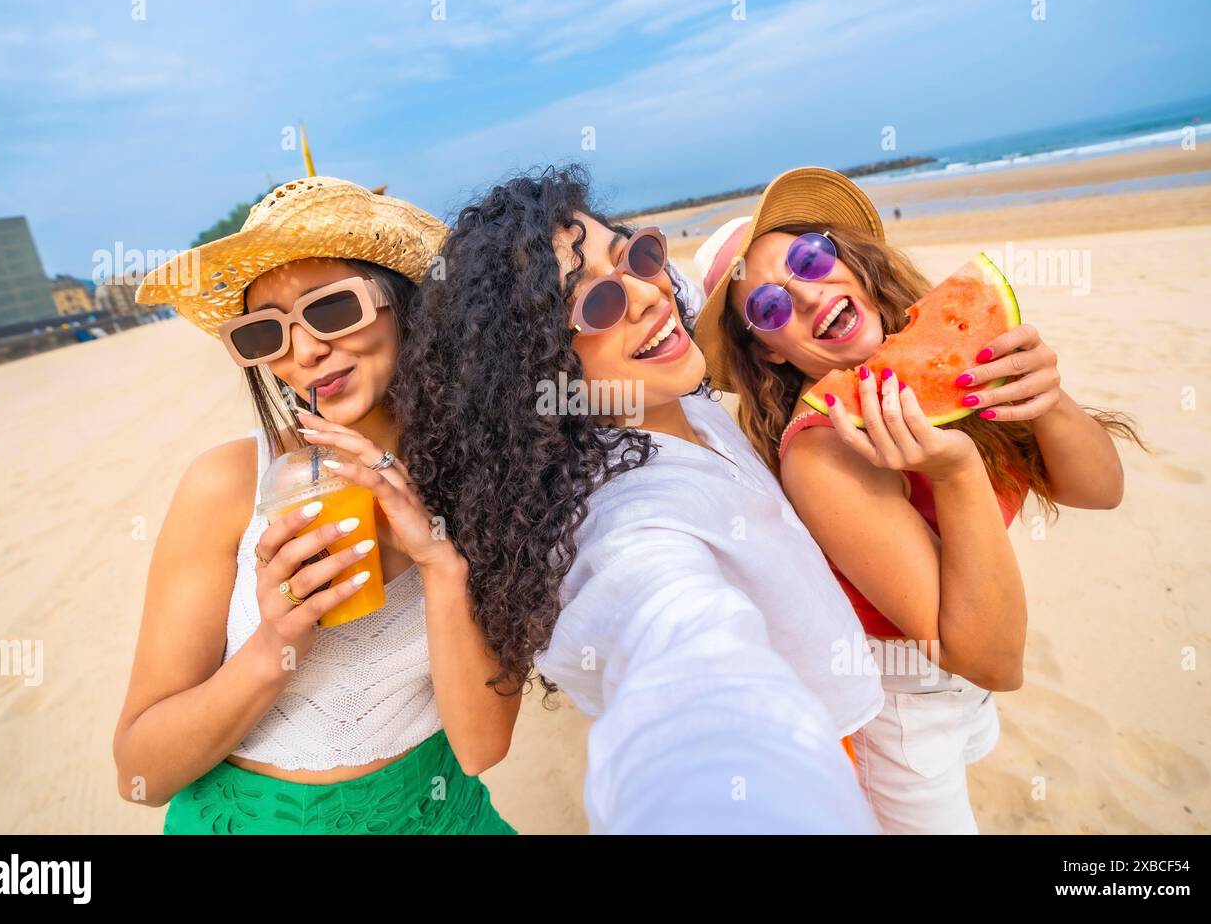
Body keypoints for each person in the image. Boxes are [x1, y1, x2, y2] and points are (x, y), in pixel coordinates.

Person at [396, 166, 883, 833]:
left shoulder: (671, 388)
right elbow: (675, 645)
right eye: (595, 302)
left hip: (860, 722)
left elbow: (685, 282)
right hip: (816, 762)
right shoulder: (624, 523)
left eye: (635, 255)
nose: (646, 295)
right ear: (538, 367)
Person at [692, 166, 1141, 833]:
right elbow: (992, 657)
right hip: (904, 704)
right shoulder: (821, 454)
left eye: (808, 258)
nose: (808, 298)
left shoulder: (957, 350)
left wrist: (1046, 398)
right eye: (770, 309)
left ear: (844, 253)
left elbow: (1102, 490)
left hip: (967, 674)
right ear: (770, 354)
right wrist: (958, 473)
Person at [115, 177, 519, 834]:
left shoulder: (490, 479)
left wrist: (443, 567)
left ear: (405, 301)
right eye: (264, 335)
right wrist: (275, 644)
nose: (302, 352)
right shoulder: (227, 486)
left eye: (331, 310)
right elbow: (140, 772)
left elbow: (480, 749)